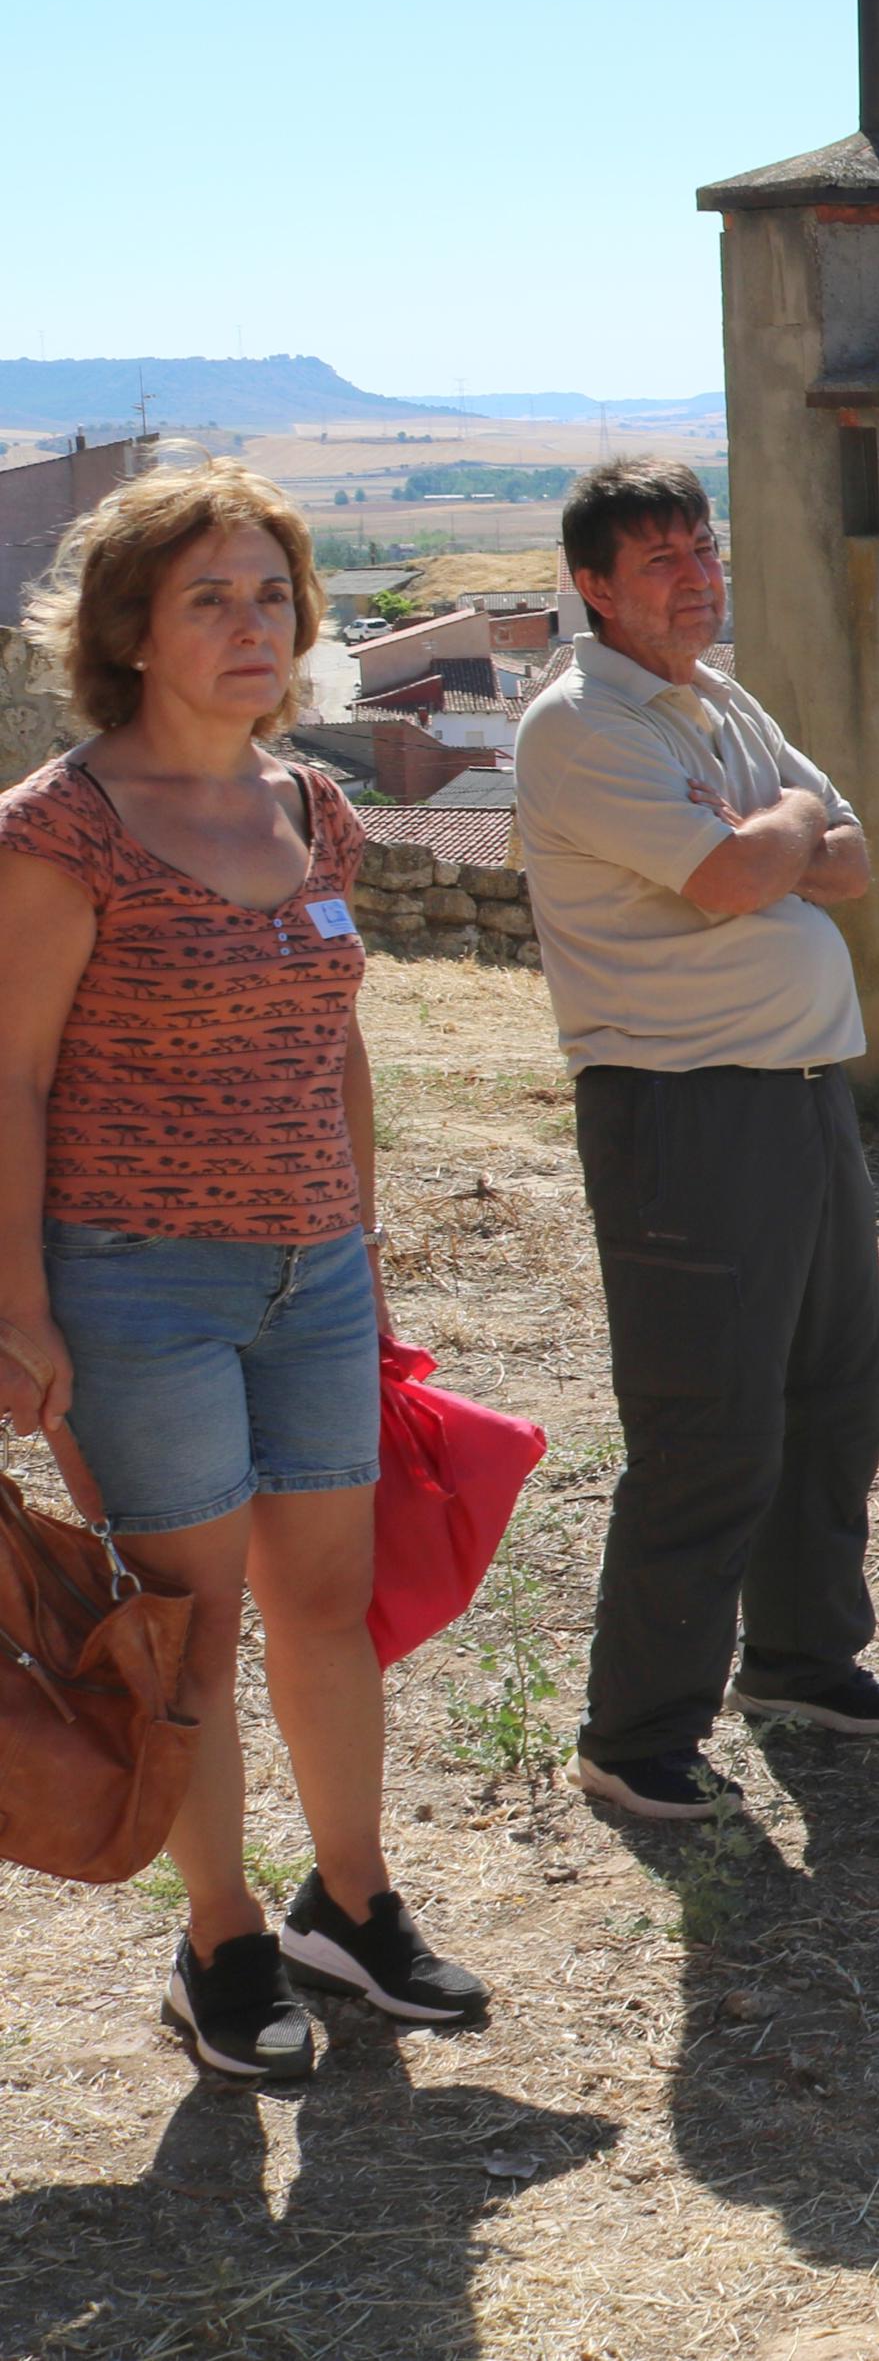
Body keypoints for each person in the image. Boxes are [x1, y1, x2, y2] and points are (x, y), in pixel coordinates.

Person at [0, 459, 485, 2078]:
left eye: (271, 593)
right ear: (131, 630)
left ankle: (349, 1904)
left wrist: (364, 1244)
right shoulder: (60, 827)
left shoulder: (311, 807)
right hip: (135, 1285)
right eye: (207, 596)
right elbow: (9, 1075)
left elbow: (336, 1042)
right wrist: (17, 1305)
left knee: (325, 1604)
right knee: (190, 1632)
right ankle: (217, 1946)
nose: (250, 623)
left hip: (313, 1277)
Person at [516, 457, 879, 1820]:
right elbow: (756, 868)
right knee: (709, 1427)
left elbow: (851, 860)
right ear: (593, 586)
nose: (698, 578)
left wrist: (774, 835)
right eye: (662, 561)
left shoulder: (719, 701)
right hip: (679, 1108)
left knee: (833, 1398)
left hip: (796, 1092)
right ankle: (635, 1734)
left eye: (703, 548)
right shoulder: (583, 725)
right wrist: (784, 828)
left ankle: (803, 1661)